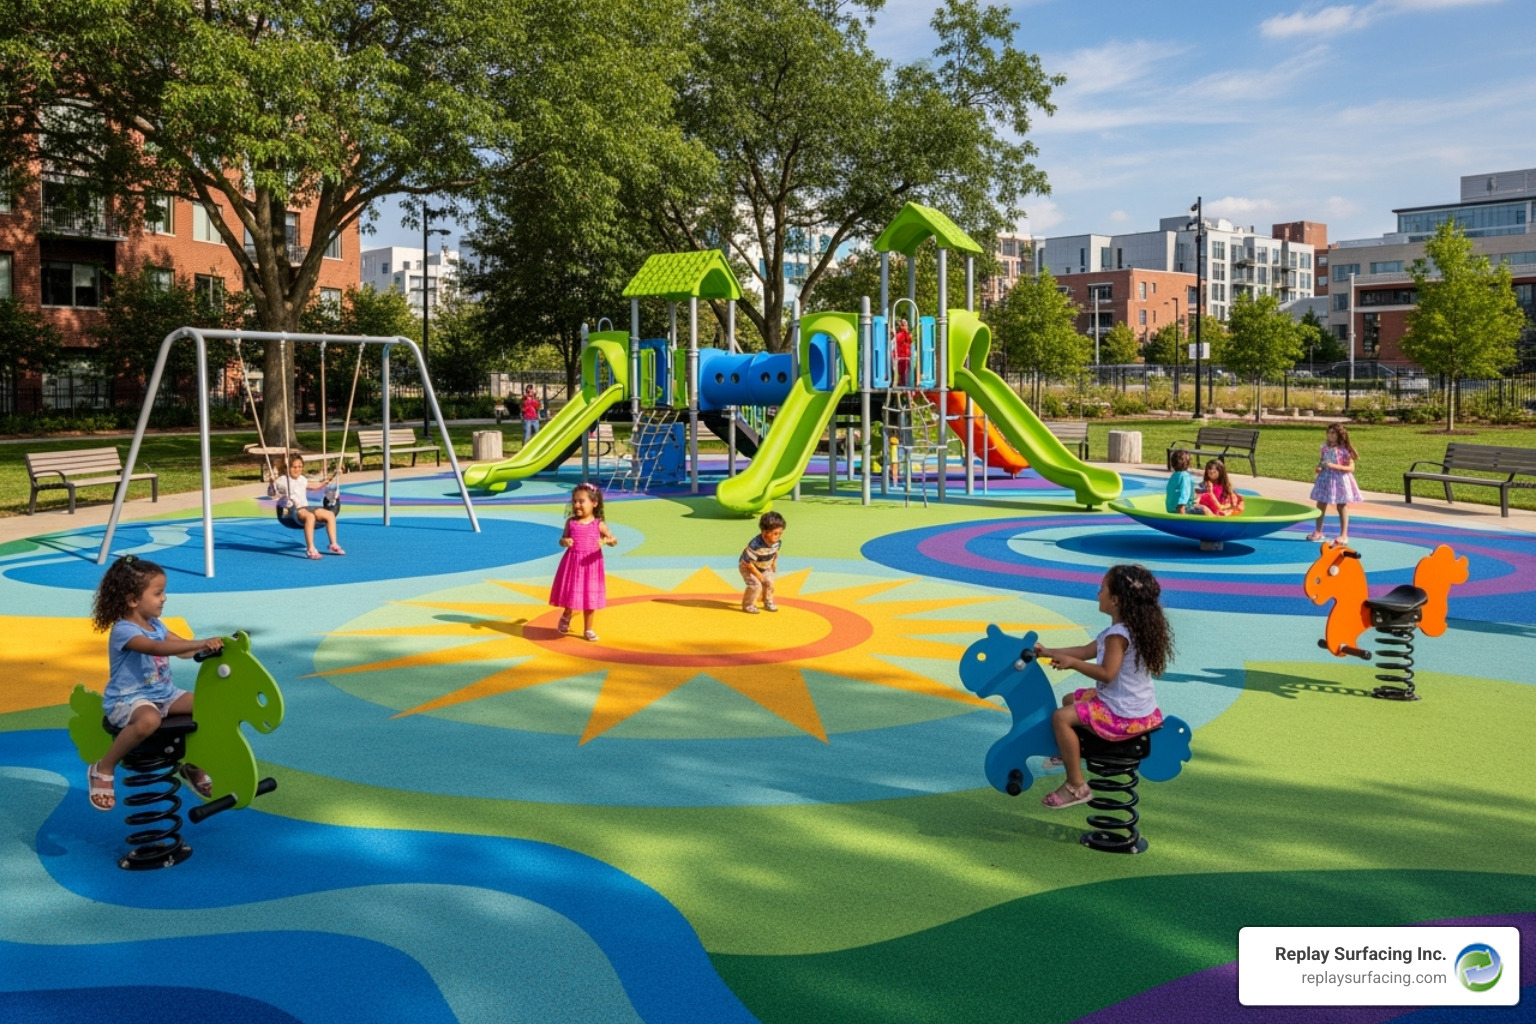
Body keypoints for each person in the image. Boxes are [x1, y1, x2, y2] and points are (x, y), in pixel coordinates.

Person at [86, 555, 221, 812]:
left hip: (164, 695)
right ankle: (103, 767)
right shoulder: (124, 630)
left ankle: (192, 762)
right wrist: (200, 643)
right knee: (149, 720)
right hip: (129, 699)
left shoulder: (156, 624)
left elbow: (181, 649)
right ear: (133, 600)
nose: (164, 598)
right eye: (158, 593)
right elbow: (157, 647)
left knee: (210, 704)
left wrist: (214, 645)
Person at [1033, 564, 1173, 809]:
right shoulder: (1131, 628)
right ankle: (1070, 753)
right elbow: (1086, 651)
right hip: (1139, 708)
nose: (1098, 593)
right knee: (1070, 699)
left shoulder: (1117, 635)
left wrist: (1072, 664)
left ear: (1116, 600)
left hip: (1122, 714)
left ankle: (1075, 786)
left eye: (1102, 589)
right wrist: (1047, 652)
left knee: (1060, 718)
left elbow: (1107, 674)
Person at [550, 482, 617, 642]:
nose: (577, 505)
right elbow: (563, 538)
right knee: (572, 593)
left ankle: (588, 629)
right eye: (574, 501)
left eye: (581, 501)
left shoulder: (598, 524)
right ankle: (567, 613)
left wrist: (610, 541)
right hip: (573, 564)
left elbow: (612, 539)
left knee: (590, 597)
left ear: (594, 503)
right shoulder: (571, 523)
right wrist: (565, 541)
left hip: (592, 566)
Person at [269, 453, 343, 559]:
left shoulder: (302, 479)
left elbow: (313, 485)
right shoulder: (282, 481)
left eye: (300, 466)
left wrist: (328, 480)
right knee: (310, 516)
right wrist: (272, 483)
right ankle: (311, 549)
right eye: (294, 467)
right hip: (290, 511)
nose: (297, 469)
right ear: (288, 467)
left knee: (330, 514)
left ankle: (333, 544)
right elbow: (272, 493)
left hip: (304, 508)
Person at [1309, 423, 1361, 543]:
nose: (1330, 435)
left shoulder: (1345, 450)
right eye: (1329, 433)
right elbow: (1323, 460)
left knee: (1341, 505)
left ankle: (1343, 534)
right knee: (1321, 503)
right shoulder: (1324, 447)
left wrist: (1336, 466)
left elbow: (1351, 467)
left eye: (1333, 433)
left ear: (1339, 435)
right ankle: (1318, 531)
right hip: (1325, 479)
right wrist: (1320, 467)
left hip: (1340, 480)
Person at [739, 511, 785, 614]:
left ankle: (767, 601)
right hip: (748, 567)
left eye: (780, 533)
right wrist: (758, 575)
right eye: (775, 534)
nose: (778, 537)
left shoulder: (776, 542)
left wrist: (774, 563)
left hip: (764, 565)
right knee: (756, 585)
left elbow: (776, 552)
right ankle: (748, 605)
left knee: (769, 582)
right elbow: (747, 562)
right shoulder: (755, 545)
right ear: (764, 533)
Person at [1165, 449, 1205, 514]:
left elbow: (1171, 490)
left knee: (1199, 497)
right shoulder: (1185, 476)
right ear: (1188, 463)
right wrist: (1182, 507)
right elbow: (1184, 492)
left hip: (1171, 508)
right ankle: (1216, 522)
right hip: (1183, 508)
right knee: (1204, 509)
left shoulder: (1174, 475)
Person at [893, 319, 913, 387]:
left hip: (905, 356)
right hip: (900, 356)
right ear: (901, 326)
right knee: (901, 372)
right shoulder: (900, 335)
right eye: (904, 325)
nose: (905, 327)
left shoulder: (906, 334)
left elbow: (910, 341)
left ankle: (903, 384)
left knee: (904, 372)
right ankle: (901, 384)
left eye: (906, 325)